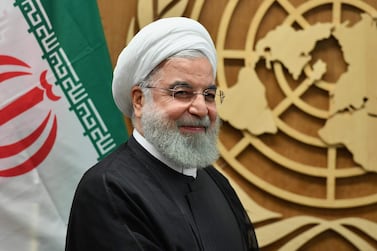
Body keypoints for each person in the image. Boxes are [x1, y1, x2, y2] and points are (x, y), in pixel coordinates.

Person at [65, 17, 259, 251]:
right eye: (182, 92)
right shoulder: (108, 189)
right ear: (139, 100)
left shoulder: (215, 182)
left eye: (208, 94)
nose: (201, 109)